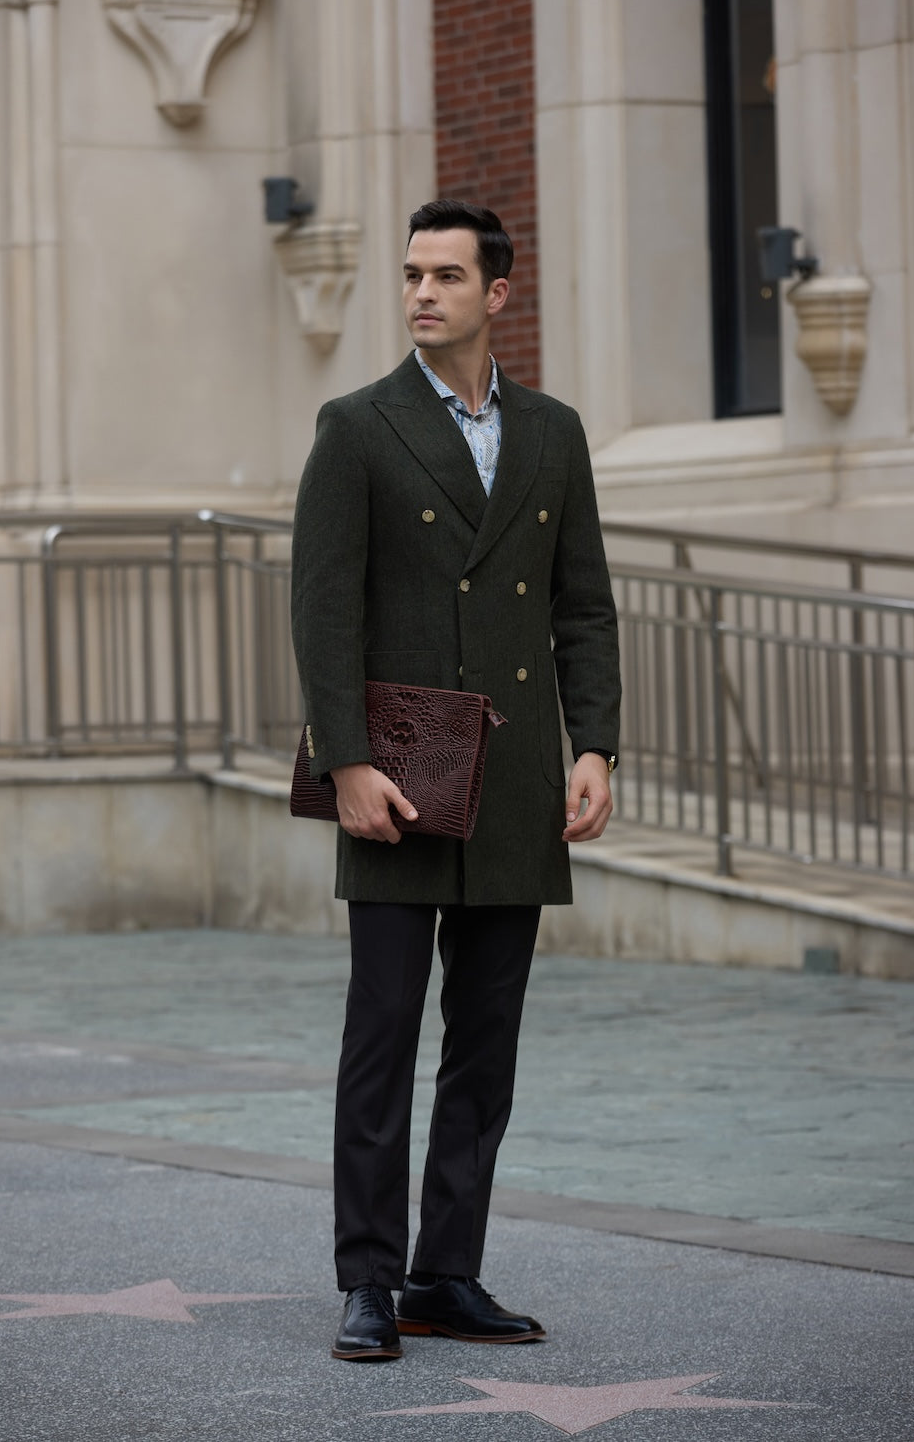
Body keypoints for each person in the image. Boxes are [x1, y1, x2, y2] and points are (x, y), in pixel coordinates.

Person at [290, 199, 621, 1361]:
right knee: (380, 1033)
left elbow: (581, 601)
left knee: (485, 1040)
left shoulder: (552, 432)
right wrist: (347, 764)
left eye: (446, 275)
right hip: (398, 775)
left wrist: (593, 746)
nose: (422, 292)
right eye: (411, 274)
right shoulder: (357, 425)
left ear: (499, 294)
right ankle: (369, 1280)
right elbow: (323, 613)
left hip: (518, 776)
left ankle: (445, 1272)